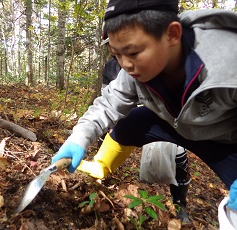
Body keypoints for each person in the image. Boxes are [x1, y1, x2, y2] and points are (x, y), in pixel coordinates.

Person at [52, 0, 237, 225]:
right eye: (116, 54)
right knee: (130, 123)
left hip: (225, 139)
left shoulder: (228, 62)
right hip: (176, 124)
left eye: (133, 52)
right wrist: (78, 139)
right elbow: (108, 104)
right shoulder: (133, 70)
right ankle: (101, 165)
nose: (125, 65)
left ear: (172, 34)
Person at [80, 37, 191, 222]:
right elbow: (108, 99)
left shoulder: (156, 59)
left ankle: (180, 204)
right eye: (112, 49)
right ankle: (98, 183)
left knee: (179, 155)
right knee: (107, 138)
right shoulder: (110, 68)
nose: (122, 58)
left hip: (161, 118)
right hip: (125, 120)